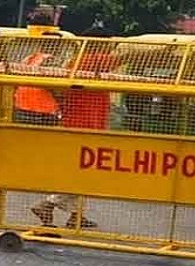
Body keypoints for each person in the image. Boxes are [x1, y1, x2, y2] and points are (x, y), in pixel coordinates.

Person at [30, 28, 118, 229]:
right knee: (82, 171)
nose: (112, 46)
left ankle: (75, 215)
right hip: (84, 126)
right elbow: (123, 58)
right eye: (108, 42)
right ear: (97, 43)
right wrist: (157, 53)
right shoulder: (93, 59)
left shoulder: (74, 61)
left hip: (77, 122)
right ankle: (48, 203)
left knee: (79, 170)